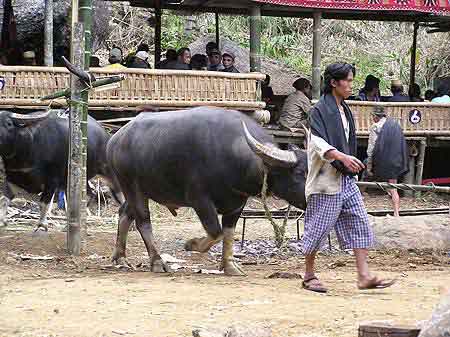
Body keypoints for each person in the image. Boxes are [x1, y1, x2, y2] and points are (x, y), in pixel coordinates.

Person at [302, 62, 395, 293]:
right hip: (325, 180)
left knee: (360, 222)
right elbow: (317, 142)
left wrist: (347, 160)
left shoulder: (344, 110)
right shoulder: (319, 111)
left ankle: (364, 276)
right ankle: (308, 275)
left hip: (346, 180)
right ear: (334, 83)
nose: (352, 85)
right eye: (349, 81)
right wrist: (341, 157)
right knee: (318, 228)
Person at [366, 106, 408, 217]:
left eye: (372, 116)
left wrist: (369, 166)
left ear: (375, 116)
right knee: (392, 186)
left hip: (383, 162)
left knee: (364, 177)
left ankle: (396, 213)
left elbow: (371, 148)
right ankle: (396, 212)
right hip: (396, 159)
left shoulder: (375, 127)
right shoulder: (395, 125)